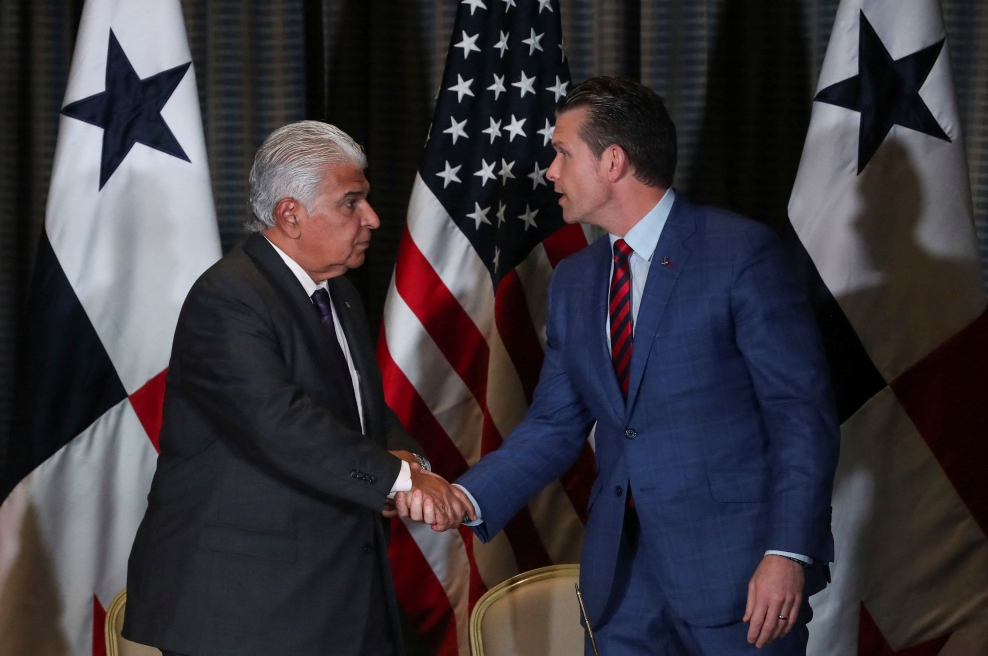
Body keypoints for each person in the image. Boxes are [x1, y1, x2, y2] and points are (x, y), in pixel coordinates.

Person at [399, 78, 839, 654]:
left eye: (561, 153)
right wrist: (467, 496)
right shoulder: (577, 282)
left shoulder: (740, 254)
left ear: (613, 161)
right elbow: (555, 425)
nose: (550, 171)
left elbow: (799, 416)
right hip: (621, 582)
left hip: (737, 575)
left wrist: (787, 552)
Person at [123, 121, 475, 656]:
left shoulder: (339, 295)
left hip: (335, 598)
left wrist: (409, 461)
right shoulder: (230, 297)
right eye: (351, 203)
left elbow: (365, 413)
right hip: (246, 611)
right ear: (291, 214)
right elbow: (278, 423)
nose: (372, 219)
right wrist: (402, 478)